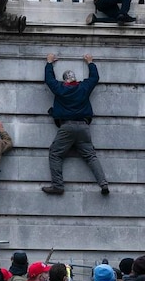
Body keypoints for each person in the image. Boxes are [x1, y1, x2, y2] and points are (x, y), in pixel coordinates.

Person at [41, 53, 109, 195]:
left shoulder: (60, 88)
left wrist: (49, 63)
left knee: (55, 154)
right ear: (75, 79)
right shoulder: (83, 87)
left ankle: (58, 186)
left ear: (65, 80)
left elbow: (49, 80)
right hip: (84, 127)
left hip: (67, 127)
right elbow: (94, 78)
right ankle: (103, 184)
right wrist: (90, 62)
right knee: (91, 156)